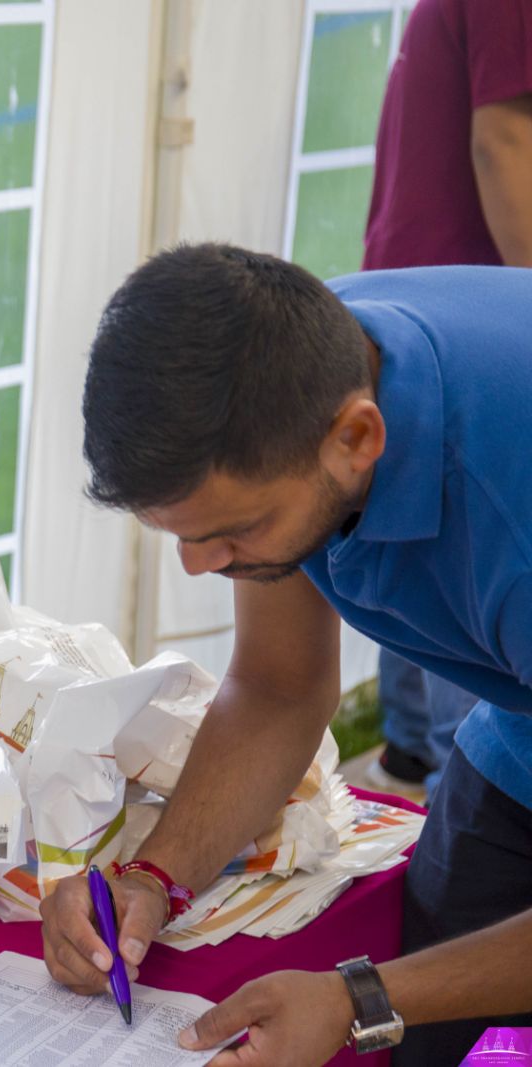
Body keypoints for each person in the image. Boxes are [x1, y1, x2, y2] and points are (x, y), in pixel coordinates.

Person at [43, 243, 532, 1065]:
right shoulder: (290, 381)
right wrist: (152, 880)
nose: (199, 565)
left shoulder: (510, 524)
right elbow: (277, 687)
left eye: (231, 532)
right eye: (184, 536)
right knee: (449, 1025)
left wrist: (361, 996)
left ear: (360, 438)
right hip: (514, 729)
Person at [361, 0, 532, 798]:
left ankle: (409, 761)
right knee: (466, 545)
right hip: (465, 321)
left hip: (422, 305)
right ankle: (460, 788)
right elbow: (503, 140)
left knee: (408, 529)